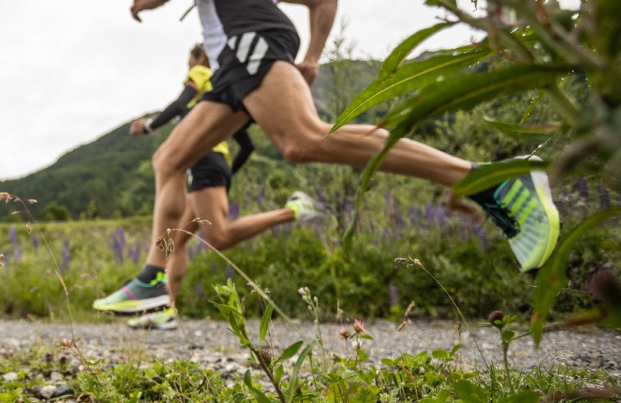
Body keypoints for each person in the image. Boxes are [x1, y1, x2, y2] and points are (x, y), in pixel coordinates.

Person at [103, 0, 560, 320]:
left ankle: (489, 180)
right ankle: (151, 279)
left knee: (304, 139)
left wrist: (142, 3)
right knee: (169, 159)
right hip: (233, 62)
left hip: (249, 42)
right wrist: (314, 58)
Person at [94, 44, 327, 330]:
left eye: (189, 59)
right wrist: (226, 176)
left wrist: (150, 126)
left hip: (204, 164)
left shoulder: (201, 72)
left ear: (200, 56)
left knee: (219, 236)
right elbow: (247, 144)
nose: (188, 67)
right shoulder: (218, 99)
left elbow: (181, 102)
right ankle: (165, 308)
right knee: (177, 241)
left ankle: (293, 210)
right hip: (211, 166)